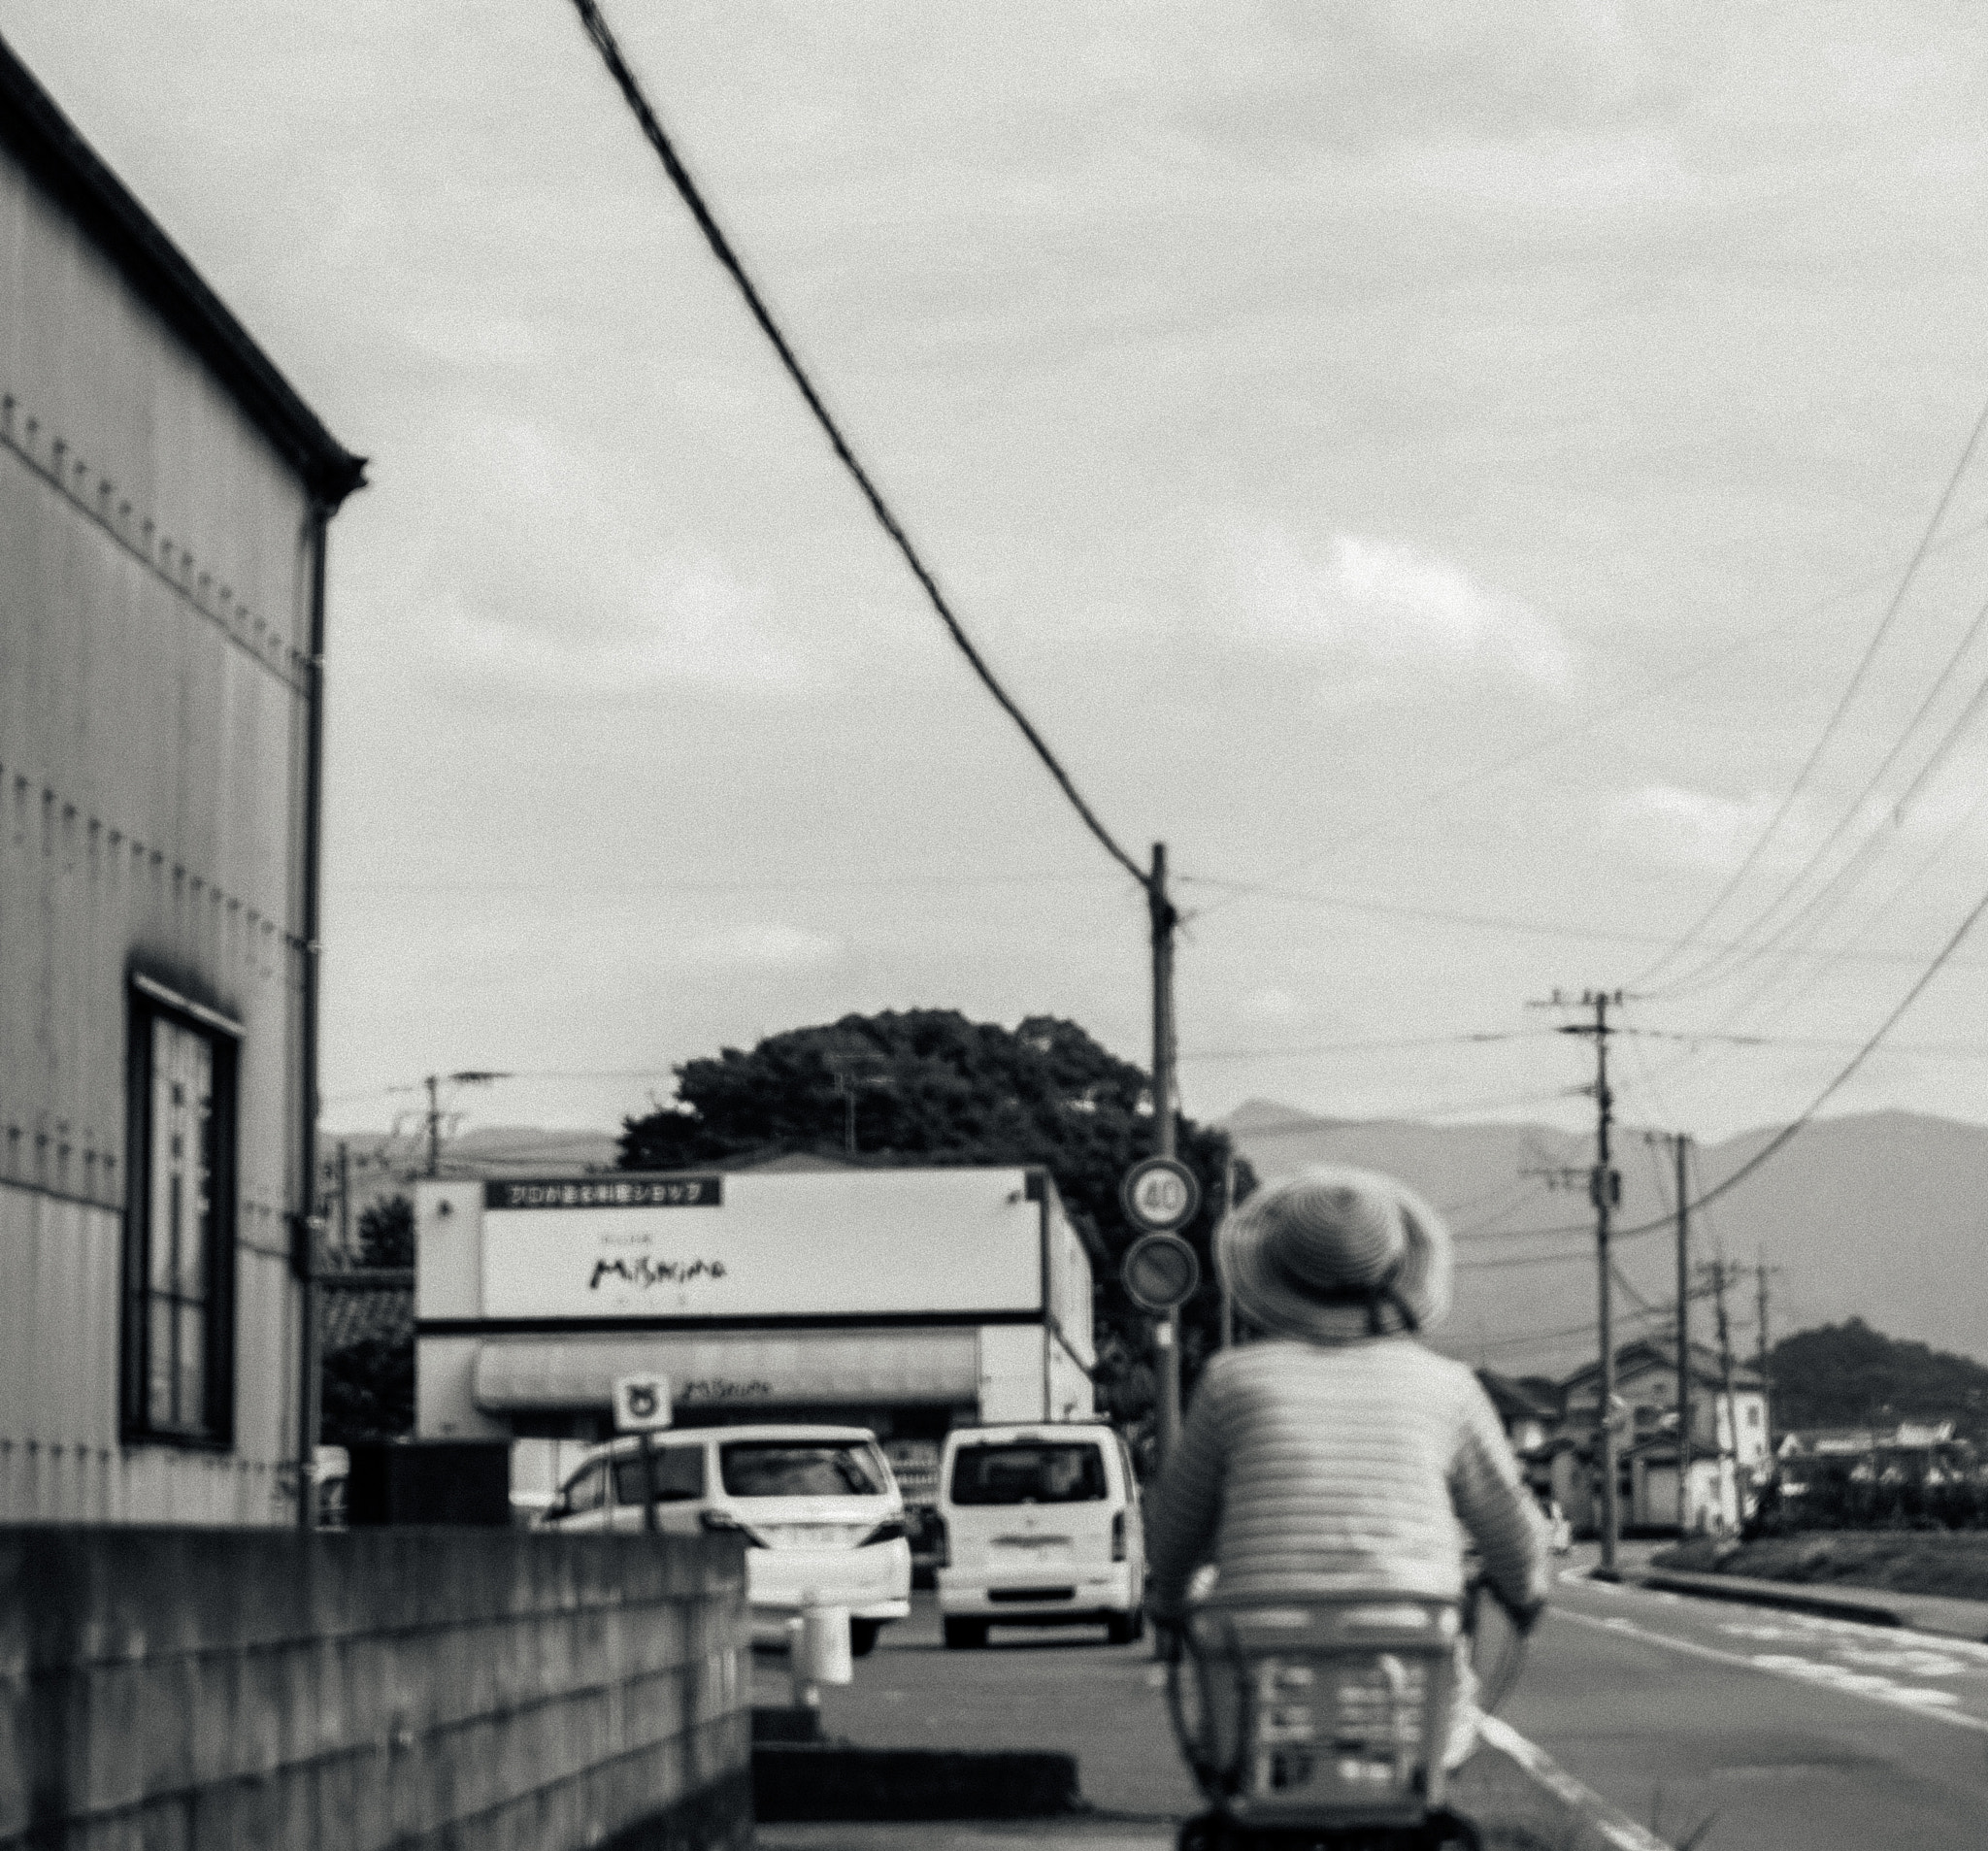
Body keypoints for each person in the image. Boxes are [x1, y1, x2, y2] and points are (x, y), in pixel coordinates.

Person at [1145, 1165, 1549, 1768]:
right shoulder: (1447, 1388)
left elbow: (1174, 1531)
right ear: (1394, 1271)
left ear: (1278, 1273)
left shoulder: (1232, 1382)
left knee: (1233, 1763)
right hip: (1407, 1697)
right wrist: (1525, 1594)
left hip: (1262, 1698)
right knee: (1438, 1738)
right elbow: (1513, 1533)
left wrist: (1171, 1599)